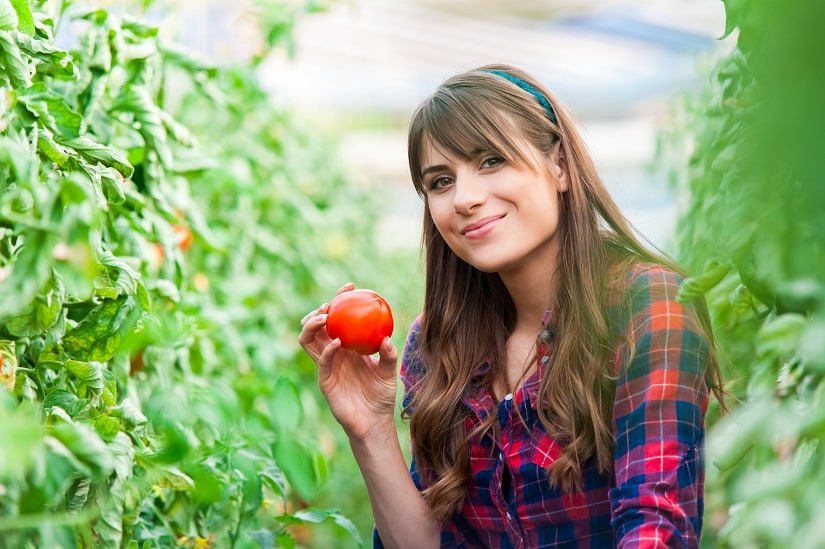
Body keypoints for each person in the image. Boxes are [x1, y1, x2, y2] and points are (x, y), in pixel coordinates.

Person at [299, 64, 725, 548]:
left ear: (560, 166)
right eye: (441, 182)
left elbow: (655, 527)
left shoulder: (646, 308)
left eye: (491, 161)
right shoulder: (438, 343)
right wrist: (370, 428)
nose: (465, 198)